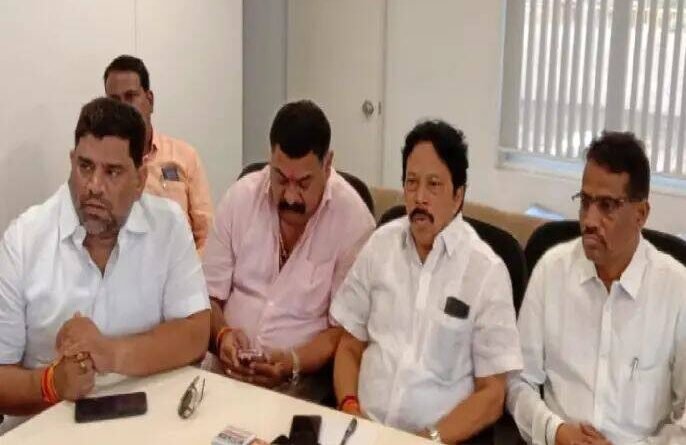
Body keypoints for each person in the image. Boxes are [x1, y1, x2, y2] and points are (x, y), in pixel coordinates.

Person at [0, 97, 210, 431]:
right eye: (85, 167)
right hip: (47, 430)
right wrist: (51, 383)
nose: (94, 186)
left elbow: (195, 333)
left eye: (112, 172)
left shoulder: (168, 225)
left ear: (140, 179)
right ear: (72, 161)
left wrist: (111, 354)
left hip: (149, 425)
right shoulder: (24, 240)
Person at [330, 120, 522, 443]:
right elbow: (349, 345)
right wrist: (350, 407)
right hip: (362, 430)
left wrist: (428, 439)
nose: (419, 197)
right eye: (411, 182)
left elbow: (492, 395)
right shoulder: (380, 245)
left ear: (458, 195)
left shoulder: (486, 272)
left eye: (434, 185)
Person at [507, 132, 686, 444]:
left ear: (641, 214)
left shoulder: (677, 289)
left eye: (607, 206)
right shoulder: (552, 270)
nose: (589, 220)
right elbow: (517, 382)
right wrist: (555, 431)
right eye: (585, 202)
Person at [202, 100, 375, 400]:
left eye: (304, 183)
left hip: (298, 384)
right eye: (281, 179)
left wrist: (292, 363)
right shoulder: (241, 198)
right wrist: (222, 335)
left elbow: (344, 332)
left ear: (328, 164)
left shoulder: (354, 222)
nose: (291, 196)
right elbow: (207, 295)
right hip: (223, 371)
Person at [104, 55, 213, 251]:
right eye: (115, 100)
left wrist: (187, 268)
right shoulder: (99, 167)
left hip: (181, 265)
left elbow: (207, 235)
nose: (123, 108)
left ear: (150, 100)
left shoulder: (184, 156)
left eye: (130, 96)